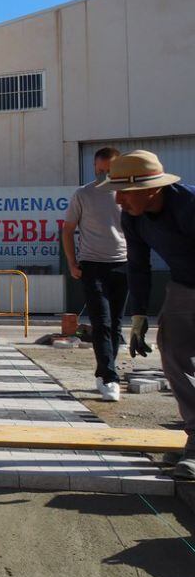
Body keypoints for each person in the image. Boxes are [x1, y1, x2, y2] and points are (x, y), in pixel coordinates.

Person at [100, 150, 195, 480]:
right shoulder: (133, 217)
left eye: (123, 192)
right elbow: (138, 267)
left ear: (150, 189)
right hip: (184, 284)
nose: (118, 200)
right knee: (172, 353)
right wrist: (138, 315)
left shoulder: (189, 207)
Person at [63, 147, 127, 401]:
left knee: (117, 325)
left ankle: (104, 371)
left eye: (108, 171)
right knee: (102, 322)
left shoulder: (127, 193)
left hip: (122, 264)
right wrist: (72, 262)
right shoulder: (83, 194)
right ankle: (110, 378)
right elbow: (68, 230)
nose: (103, 175)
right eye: (99, 170)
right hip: (92, 264)